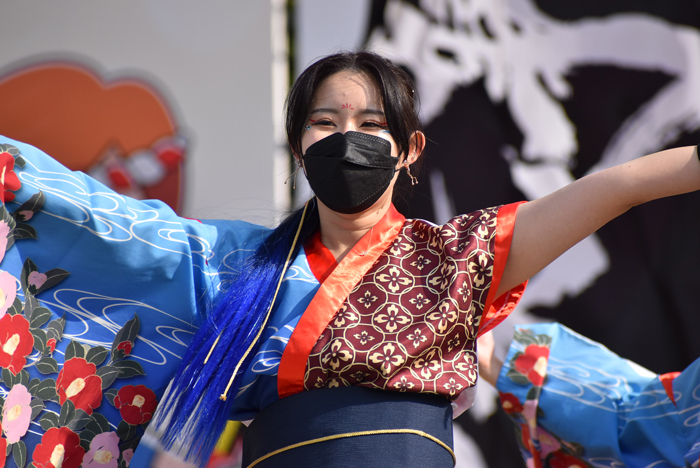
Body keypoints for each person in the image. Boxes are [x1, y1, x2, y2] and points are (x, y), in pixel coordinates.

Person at [0, 51, 698, 468]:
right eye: (326, 125)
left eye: (370, 126)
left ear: (410, 149)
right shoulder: (229, 265)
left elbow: (620, 186)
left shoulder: (453, 262)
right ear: (298, 145)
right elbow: (94, 218)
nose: (348, 141)